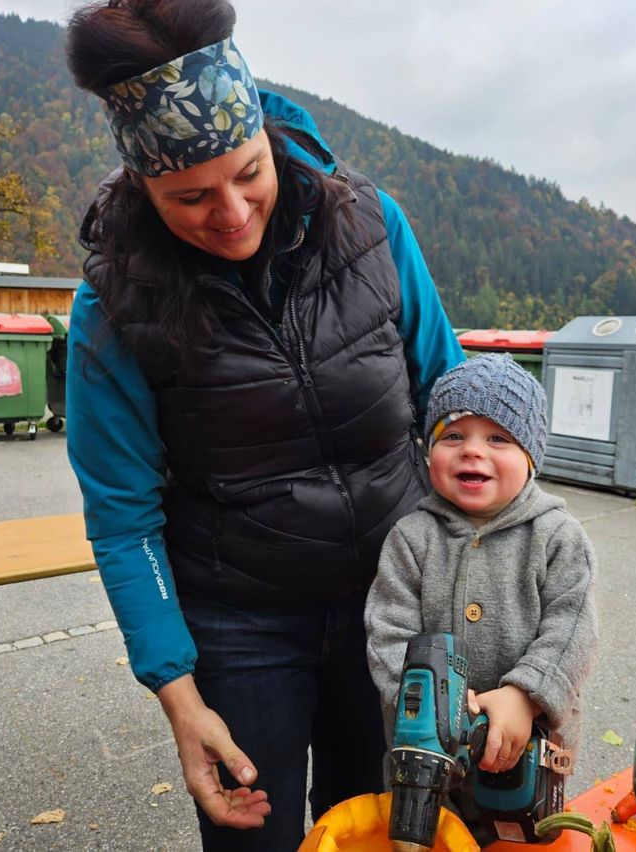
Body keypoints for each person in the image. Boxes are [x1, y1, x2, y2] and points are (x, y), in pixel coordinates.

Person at [63, 1, 464, 849]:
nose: (232, 212)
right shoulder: (112, 302)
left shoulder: (371, 225)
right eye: (190, 196)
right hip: (239, 622)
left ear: (267, 137)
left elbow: (450, 399)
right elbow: (123, 514)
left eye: (248, 172)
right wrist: (179, 696)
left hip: (389, 601)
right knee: (256, 834)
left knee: (383, 827)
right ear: (143, 182)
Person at [364, 354, 598, 836]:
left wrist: (526, 695)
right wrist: (434, 711)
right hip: (429, 770)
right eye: (453, 436)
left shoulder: (558, 536)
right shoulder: (411, 538)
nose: (473, 451)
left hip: (527, 764)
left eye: (498, 438)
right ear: (429, 451)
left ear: (531, 456)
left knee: (522, 842)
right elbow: (387, 632)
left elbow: (573, 628)